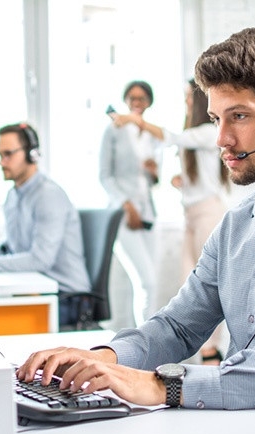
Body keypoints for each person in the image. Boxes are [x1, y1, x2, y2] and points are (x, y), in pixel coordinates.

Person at [17, 27, 255, 434]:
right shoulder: (237, 225)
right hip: (232, 426)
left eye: (239, 116)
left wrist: (167, 385)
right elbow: (178, 327)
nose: (221, 140)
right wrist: (102, 359)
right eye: (217, 119)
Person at [117, 79, 231, 364]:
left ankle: (212, 351)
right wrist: (181, 182)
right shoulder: (196, 134)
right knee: (189, 286)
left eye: (188, 99)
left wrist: (137, 122)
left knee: (213, 286)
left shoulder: (209, 131)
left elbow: (172, 137)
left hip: (209, 214)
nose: (186, 104)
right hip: (191, 215)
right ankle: (201, 352)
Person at [0, 122, 91, 329]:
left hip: (66, 298)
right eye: (0, 155)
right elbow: (12, 247)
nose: (2, 162)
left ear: (32, 154)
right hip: (35, 288)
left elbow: (40, 260)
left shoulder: (48, 195)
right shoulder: (13, 196)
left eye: (8, 154)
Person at [99, 80, 162, 326]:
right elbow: (104, 175)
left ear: (148, 103)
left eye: (142, 99)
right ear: (125, 100)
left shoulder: (152, 135)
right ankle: (145, 343)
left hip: (149, 214)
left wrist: (154, 172)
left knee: (152, 283)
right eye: (132, 98)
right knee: (145, 281)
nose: (137, 103)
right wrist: (126, 205)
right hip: (123, 214)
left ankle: (147, 337)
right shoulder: (113, 130)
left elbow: (154, 181)